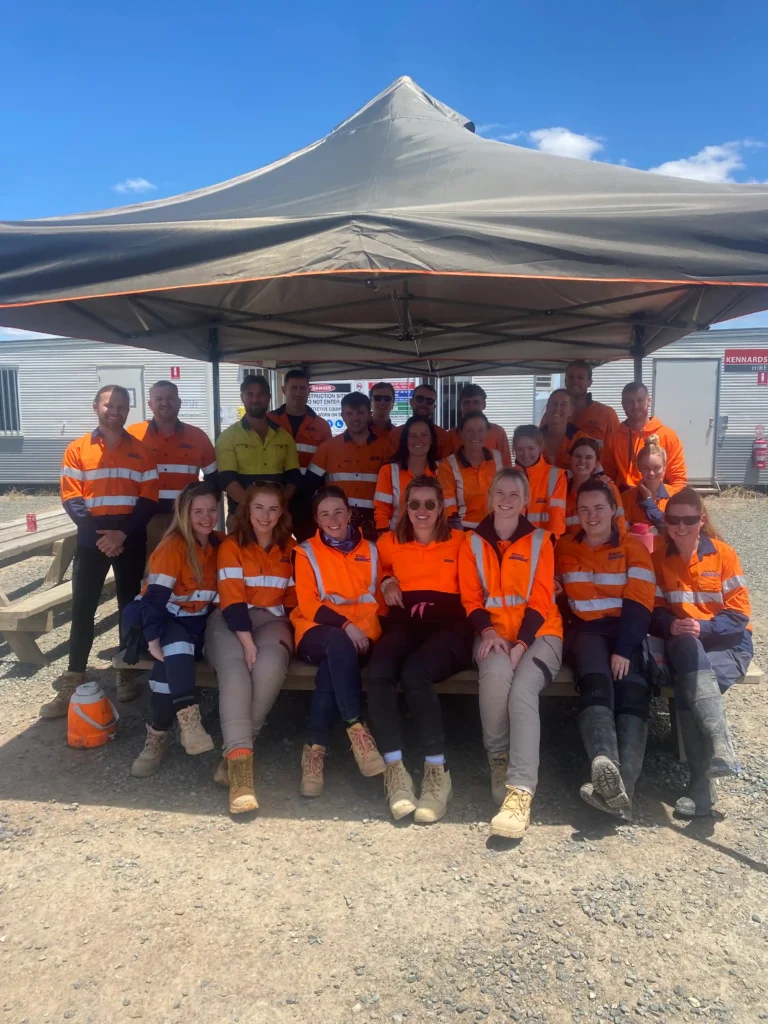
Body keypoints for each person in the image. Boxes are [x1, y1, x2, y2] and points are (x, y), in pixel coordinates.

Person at [40, 385, 159, 717]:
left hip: (130, 537)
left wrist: (121, 534)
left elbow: (148, 499)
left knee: (129, 606)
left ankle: (126, 671)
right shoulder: (77, 448)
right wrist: (101, 538)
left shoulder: (142, 451)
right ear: (96, 406)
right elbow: (71, 498)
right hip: (91, 540)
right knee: (82, 609)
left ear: (128, 410)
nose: (116, 410)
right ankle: (74, 678)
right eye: (110, 404)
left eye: (122, 406)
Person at [459, 468, 563, 840]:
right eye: (499, 493)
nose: (505, 500)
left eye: (513, 495)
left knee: (522, 691)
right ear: (489, 499)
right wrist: (487, 632)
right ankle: (498, 759)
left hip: (540, 634)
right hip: (492, 634)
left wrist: (521, 644)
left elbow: (540, 599)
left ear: (525, 501)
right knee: (497, 676)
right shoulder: (471, 542)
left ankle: (520, 791)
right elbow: (470, 598)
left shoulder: (541, 541)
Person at [367, 477, 471, 823]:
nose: (422, 511)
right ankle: (394, 768)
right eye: (415, 504)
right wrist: (386, 581)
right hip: (405, 623)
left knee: (415, 673)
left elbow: (476, 587)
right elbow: (374, 571)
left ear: (441, 508)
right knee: (379, 670)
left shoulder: (462, 542)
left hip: (450, 627)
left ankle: (437, 770)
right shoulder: (389, 542)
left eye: (430, 504)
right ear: (405, 508)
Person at [556, 480, 656, 817]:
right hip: (586, 631)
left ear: (614, 509)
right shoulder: (566, 548)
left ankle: (618, 788)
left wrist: (625, 650)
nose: (591, 515)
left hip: (626, 630)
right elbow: (557, 595)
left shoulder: (633, 548)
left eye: (598, 507)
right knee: (596, 683)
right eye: (584, 509)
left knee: (633, 691)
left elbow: (640, 604)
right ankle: (604, 762)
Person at [651, 488, 751, 817]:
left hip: (728, 645)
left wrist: (703, 627)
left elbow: (739, 617)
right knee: (686, 650)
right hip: (685, 644)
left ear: (701, 520)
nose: (681, 526)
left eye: (689, 520)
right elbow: (654, 608)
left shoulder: (724, 555)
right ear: (665, 521)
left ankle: (701, 784)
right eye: (674, 520)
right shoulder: (658, 557)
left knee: (687, 688)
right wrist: (671, 623)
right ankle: (719, 754)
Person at [206, 482, 295, 813]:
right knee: (236, 673)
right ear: (247, 510)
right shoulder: (232, 546)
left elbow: (293, 599)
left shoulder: (290, 547)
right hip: (230, 620)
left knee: (270, 668)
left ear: (281, 514)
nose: (266, 516)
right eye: (259, 508)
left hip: (272, 621)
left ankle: (235, 752)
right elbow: (231, 597)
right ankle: (242, 776)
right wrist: (246, 641)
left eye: (273, 509)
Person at [291, 486, 385, 796]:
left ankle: (314, 751)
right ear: (316, 520)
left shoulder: (372, 550)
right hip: (315, 633)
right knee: (336, 643)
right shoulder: (305, 552)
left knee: (331, 671)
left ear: (350, 513)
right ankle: (357, 729)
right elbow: (307, 604)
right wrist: (346, 625)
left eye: (339, 512)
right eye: (324, 514)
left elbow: (381, 598)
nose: (333, 519)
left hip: (362, 636)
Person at [125, 482, 220, 777]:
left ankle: (158, 733)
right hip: (161, 617)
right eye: (198, 512)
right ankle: (188, 722)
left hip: (195, 622)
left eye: (212, 510)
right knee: (175, 649)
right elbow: (155, 599)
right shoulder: (173, 546)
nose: (207, 517)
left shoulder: (220, 543)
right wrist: (152, 638)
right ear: (184, 515)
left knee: (169, 668)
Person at [128, 380, 218, 554]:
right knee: (151, 569)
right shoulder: (133, 435)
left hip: (186, 518)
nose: (164, 403)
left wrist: (202, 511)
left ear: (179, 402)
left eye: (170, 398)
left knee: (189, 567)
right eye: (159, 398)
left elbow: (213, 479)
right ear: (150, 404)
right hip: (148, 519)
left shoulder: (198, 436)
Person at [307, 392, 394, 540]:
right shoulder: (328, 448)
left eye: (360, 413)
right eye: (349, 413)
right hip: (337, 521)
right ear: (342, 415)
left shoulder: (386, 448)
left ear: (369, 415)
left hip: (373, 522)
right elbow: (310, 486)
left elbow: (394, 488)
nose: (355, 418)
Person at [215, 374, 302, 521]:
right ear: (242, 397)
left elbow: (293, 478)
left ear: (268, 397)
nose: (255, 399)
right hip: (241, 517)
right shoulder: (227, 437)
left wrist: (275, 507)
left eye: (260, 395)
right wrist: (254, 509)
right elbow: (227, 480)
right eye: (250, 394)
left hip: (276, 518)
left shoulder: (284, 437)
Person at [267, 368, 332, 542]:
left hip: (307, 498)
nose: (298, 393)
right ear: (284, 390)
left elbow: (326, 466)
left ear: (309, 390)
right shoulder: (268, 421)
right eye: (293, 388)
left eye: (303, 388)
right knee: (274, 544)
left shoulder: (322, 426)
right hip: (274, 494)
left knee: (309, 545)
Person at [601, 382, 687, 492]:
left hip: (657, 500)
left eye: (640, 400)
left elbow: (678, 480)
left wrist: (665, 503)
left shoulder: (668, 436)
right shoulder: (614, 438)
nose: (635, 406)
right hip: (624, 501)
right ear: (622, 404)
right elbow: (608, 475)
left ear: (648, 401)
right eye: (630, 402)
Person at [438, 412, 506, 529]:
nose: (475, 435)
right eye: (469, 430)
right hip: (464, 530)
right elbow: (449, 507)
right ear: (460, 433)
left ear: (487, 433)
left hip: (498, 528)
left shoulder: (497, 458)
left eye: (481, 430)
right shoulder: (448, 465)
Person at [374, 416, 439, 532]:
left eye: (424, 435)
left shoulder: (442, 470)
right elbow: (381, 511)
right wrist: (384, 539)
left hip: (433, 541)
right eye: (413, 436)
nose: (418, 440)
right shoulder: (388, 470)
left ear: (432, 439)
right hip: (398, 539)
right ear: (405, 440)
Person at [540, 360, 620, 447]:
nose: (574, 381)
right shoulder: (554, 414)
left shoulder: (607, 414)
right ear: (565, 381)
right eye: (571, 377)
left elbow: (617, 449)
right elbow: (538, 444)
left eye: (580, 377)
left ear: (589, 382)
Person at [512, 425, 567, 538]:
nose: (526, 454)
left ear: (541, 447)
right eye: (520, 449)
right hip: (512, 547)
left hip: (543, 545)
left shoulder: (556, 476)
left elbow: (556, 521)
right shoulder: (507, 476)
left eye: (531, 448)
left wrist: (549, 546)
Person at [564, 438, 626, 537]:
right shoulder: (560, 489)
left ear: (596, 463)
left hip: (604, 549)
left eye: (588, 457)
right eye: (577, 456)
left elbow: (620, 527)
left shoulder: (609, 488)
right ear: (570, 459)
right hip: (569, 549)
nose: (582, 461)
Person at [446, 384, 512, 463]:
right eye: (467, 402)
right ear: (460, 406)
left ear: (484, 405)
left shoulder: (498, 432)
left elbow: (506, 465)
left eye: (476, 402)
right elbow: (445, 466)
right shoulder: (451, 435)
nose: (471, 407)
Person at [622, 435, 671, 534]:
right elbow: (621, 531)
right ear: (639, 468)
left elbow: (674, 527)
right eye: (645, 468)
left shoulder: (675, 495)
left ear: (665, 467)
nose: (651, 473)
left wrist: (648, 500)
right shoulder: (626, 498)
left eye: (657, 467)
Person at [391, 384, 453, 459]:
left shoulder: (443, 436)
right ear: (411, 402)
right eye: (420, 399)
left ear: (434, 407)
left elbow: (446, 466)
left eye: (429, 401)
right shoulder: (395, 434)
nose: (424, 404)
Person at [540, 388, 580, 468]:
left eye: (563, 404)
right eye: (554, 403)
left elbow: (596, 471)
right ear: (547, 407)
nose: (557, 408)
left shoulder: (581, 440)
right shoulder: (535, 439)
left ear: (571, 411)